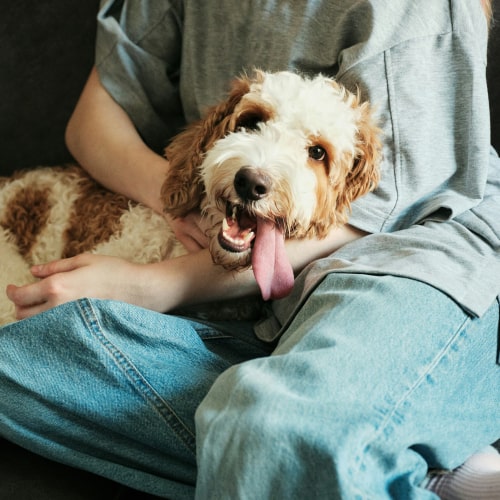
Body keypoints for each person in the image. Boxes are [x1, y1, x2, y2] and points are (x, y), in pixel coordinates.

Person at [1, 1, 499, 498]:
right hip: (258, 293)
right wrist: (184, 198)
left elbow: (392, 204)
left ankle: (335, 437)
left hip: (408, 258)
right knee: (16, 360)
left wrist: (156, 283)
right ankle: (373, 453)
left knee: (269, 428)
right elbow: (93, 118)